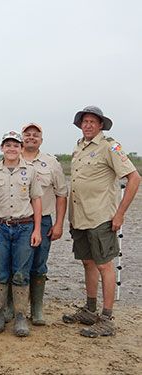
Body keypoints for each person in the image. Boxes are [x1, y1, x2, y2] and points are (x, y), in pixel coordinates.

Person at [62, 106, 140, 338]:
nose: (87, 125)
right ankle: (90, 309)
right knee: (88, 263)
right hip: (80, 217)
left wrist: (120, 213)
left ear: (100, 125)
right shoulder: (79, 147)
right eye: (84, 121)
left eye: (92, 121)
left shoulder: (110, 147)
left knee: (105, 265)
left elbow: (134, 178)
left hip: (101, 217)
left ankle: (106, 319)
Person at [0, 131, 42, 337]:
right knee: (0, 273)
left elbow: (36, 200)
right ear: (1, 148)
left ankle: (20, 317)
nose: (11, 149)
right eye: (7, 145)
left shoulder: (31, 172)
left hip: (24, 227)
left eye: (15, 145)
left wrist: (37, 229)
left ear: (21, 148)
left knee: (21, 273)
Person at [17, 123, 68, 325]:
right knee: (17, 265)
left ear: (41, 139)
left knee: (38, 265)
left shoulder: (51, 163)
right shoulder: (12, 157)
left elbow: (61, 194)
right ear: (21, 138)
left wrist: (59, 224)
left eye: (35, 135)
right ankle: (15, 308)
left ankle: (36, 309)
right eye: (27, 134)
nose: (31, 137)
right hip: (18, 221)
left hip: (44, 221)